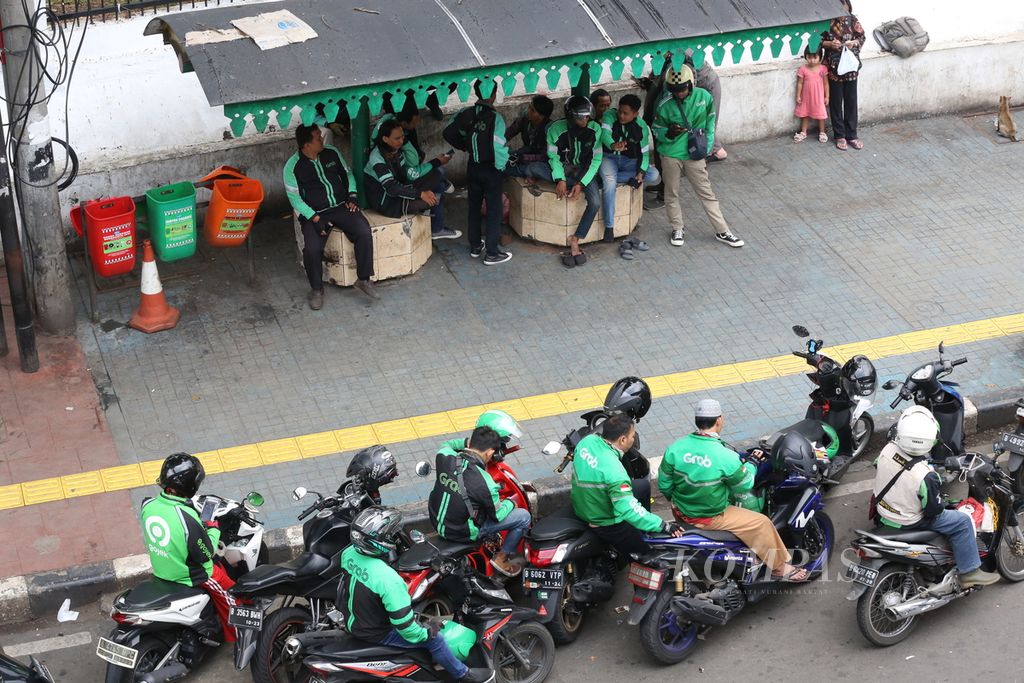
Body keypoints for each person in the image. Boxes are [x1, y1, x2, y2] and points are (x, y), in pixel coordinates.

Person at [658, 399, 810, 581]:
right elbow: (745, 484)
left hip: (680, 511)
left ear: (697, 421)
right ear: (719, 420)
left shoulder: (675, 448)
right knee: (762, 523)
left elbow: (664, 485)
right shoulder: (725, 456)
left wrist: (681, 501)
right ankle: (779, 567)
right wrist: (752, 463)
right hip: (710, 517)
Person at [339, 506, 491, 683]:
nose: (393, 538)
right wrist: (428, 632)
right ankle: (464, 675)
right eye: (389, 535)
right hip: (376, 633)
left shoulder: (348, 553)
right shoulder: (387, 578)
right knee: (437, 640)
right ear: (376, 542)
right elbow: (407, 628)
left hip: (354, 620)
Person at [872, 407, 999, 587]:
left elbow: (879, 466)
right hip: (908, 520)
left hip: (884, 510)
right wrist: (943, 502)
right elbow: (933, 510)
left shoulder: (887, 449)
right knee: (962, 521)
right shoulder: (926, 476)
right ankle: (970, 572)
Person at [140, 453, 238, 643]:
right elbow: (206, 553)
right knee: (233, 596)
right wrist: (213, 528)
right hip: (191, 575)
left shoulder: (148, 505)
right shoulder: (186, 518)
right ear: (190, 486)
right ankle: (238, 638)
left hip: (162, 569)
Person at [284, 124, 377, 308]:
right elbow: (294, 199)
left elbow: (347, 174)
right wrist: (315, 218)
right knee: (312, 249)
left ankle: (364, 279)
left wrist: (352, 195)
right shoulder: (292, 167)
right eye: (318, 138)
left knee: (364, 231)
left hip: (341, 206)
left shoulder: (332, 152)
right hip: (315, 214)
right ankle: (317, 290)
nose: (322, 140)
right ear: (307, 145)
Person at [653, 66, 744, 250]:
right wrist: (668, 133)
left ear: (691, 85)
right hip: (670, 154)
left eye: (682, 89)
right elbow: (656, 128)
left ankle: (722, 230)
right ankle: (677, 228)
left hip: (695, 154)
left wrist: (707, 147)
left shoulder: (704, 97)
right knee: (671, 193)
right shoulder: (664, 104)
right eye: (674, 90)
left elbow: (711, 123)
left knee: (706, 194)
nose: (679, 94)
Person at [428, 423, 531, 577]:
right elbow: (498, 515)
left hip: (437, 522)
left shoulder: (444, 456)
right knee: (523, 517)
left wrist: (465, 442)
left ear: (471, 443)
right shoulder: (486, 483)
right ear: (490, 452)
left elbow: (447, 444)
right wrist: (511, 502)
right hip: (462, 533)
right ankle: (501, 558)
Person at [570, 414, 681, 557]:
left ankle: (643, 529)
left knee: (641, 486)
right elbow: (628, 509)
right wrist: (662, 525)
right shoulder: (615, 472)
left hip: (585, 504)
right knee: (647, 554)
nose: (634, 439)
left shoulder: (587, 442)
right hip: (604, 521)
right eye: (632, 436)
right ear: (622, 440)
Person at [443, 81, 512, 265]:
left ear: (476, 92)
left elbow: (448, 132)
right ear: (494, 94)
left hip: (473, 166)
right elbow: (498, 146)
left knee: (473, 206)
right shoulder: (495, 118)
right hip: (491, 169)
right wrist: (502, 167)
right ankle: (492, 252)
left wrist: (465, 146)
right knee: (493, 209)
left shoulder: (466, 113)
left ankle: (475, 246)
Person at [364, 119, 461, 240]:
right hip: (388, 202)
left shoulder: (396, 150)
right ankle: (436, 228)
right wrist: (420, 194)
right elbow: (391, 188)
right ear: (385, 139)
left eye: (403, 137)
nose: (402, 141)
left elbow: (411, 172)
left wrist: (435, 162)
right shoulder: (376, 158)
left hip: (402, 188)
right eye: (397, 138)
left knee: (437, 173)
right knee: (435, 198)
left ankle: (432, 207)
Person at [547, 95, 603, 268]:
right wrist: (560, 179)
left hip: (584, 172)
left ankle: (576, 238)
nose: (585, 120)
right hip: (564, 168)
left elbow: (595, 160)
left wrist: (581, 184)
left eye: (587, 116)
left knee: (594, 202)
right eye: (580, 117)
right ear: (570, 116)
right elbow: (553, 157)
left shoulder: (595, 129)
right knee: (532, 169)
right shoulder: (555, 129)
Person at [598, 94, 660, 242]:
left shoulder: (642, 127)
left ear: (635, 114)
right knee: (610, 184)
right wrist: (613, 145)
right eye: (620, 111)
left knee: (653, 173)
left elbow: (644, 155)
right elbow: (604, 135)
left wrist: (640, 173)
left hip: (628, 162)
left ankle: (605, 178)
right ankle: (609, 227)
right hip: (609, 158)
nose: (621, 115)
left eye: (626, 113)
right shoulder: (609, 115)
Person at [822, 0, 866, 151]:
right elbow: (818, 41)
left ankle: (852, 135)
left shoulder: (853, 20)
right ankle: (839, 135)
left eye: (843, 4)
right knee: (836, 102)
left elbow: (862, 37)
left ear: (848, 5)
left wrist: (854, 43)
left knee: (851, 101)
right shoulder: (826, 22)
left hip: (851, 68)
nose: (841, 8)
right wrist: (829, 44)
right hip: (834, 68)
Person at [683, 48, 728, 161]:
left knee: (709, 123)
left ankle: (707, 153)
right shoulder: (677, 48)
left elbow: (691, 80)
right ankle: (717, 150)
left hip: (709, 86)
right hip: (704, 85)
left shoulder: (681, 54)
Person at [506, 94, 555, 182]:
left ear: (541, 116)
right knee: (503, 158)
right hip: (524, 155)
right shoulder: (524, 120)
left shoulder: (550, 130)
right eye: (529, 107)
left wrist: (524, 157)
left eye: (532, 110)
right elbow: (508, 133)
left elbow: (548, 156)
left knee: (531, 168)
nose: (528, 111)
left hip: (541, 164)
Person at [793, 46, 830, 143]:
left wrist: (827, 96)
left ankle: (822, 132)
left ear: (820, 57)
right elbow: (800, 83)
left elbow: (826, 83)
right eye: (809, 57)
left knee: (821, 114)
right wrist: (798, 95)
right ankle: (803, 132)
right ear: (806, 57)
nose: (812, 60)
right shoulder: (803, 69)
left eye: (815, 57)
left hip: (819, 97)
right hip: (806, 97)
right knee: (805, 113)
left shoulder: (823, 69)